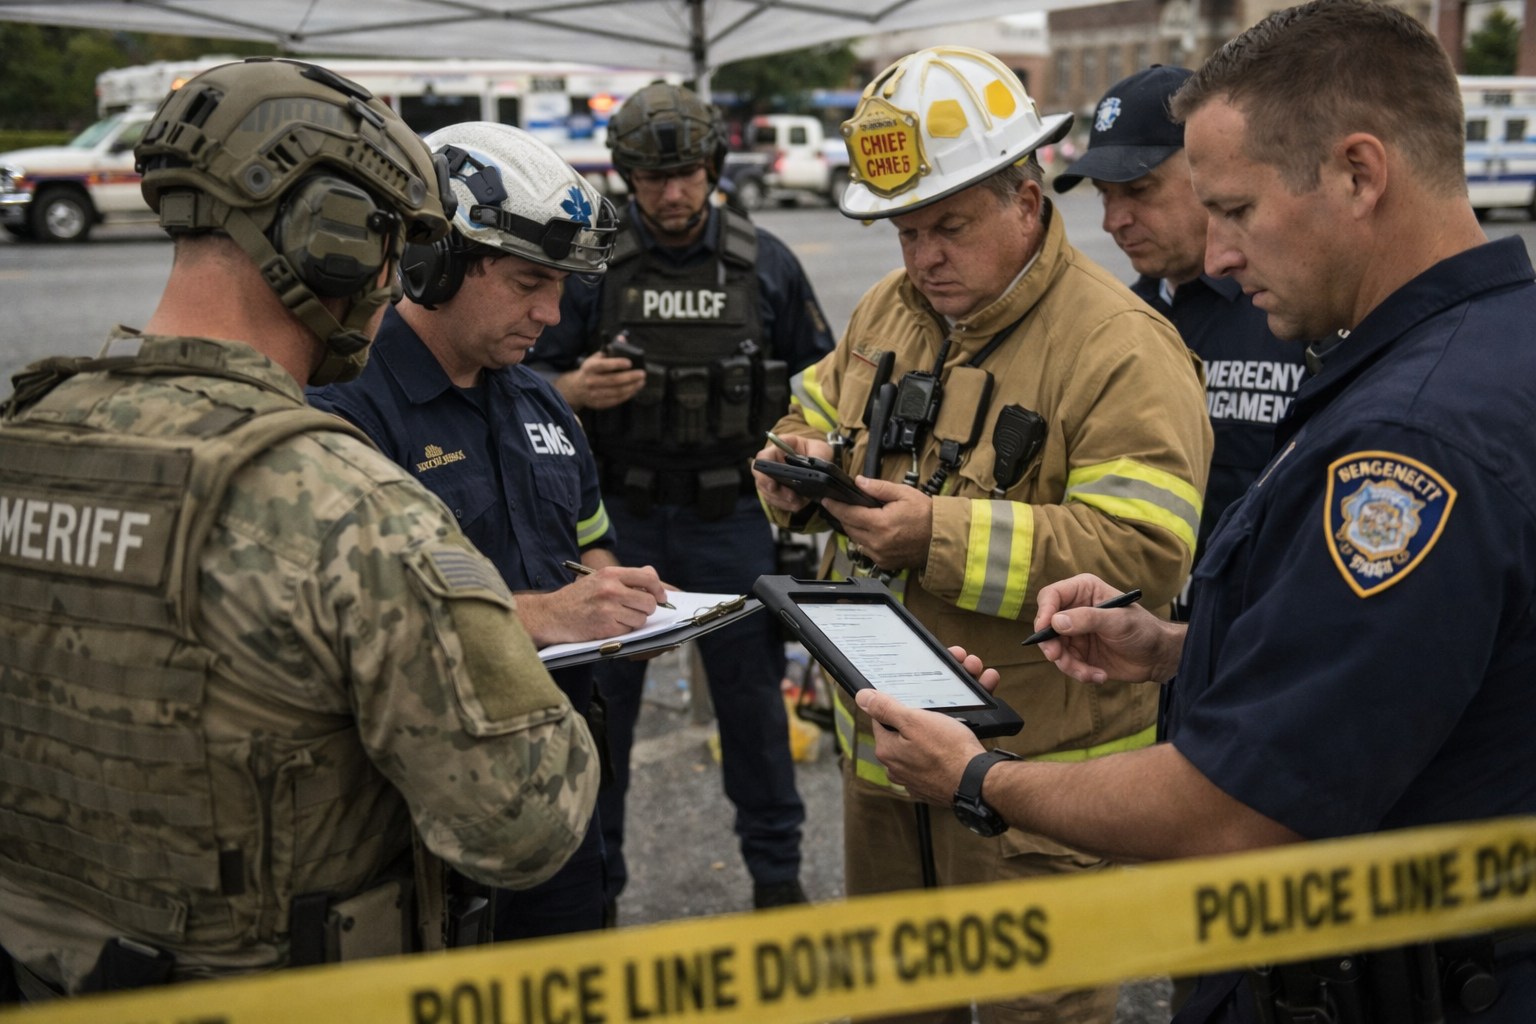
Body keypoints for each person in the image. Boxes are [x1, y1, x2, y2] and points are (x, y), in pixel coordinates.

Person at [853, 4, 1536, 1021]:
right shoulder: (1492, 350)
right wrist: (1181, 648)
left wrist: (981, 777)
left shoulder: (1409, 446)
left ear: (1359, 173)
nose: (1213, 258)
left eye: (1237, 211)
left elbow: (1234, 809)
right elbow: (1416, 662)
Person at [0, 59, 598, 1001]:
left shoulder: (23, 441)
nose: (402, 276)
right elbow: (524, 823)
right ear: (339, 241)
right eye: (394, 246)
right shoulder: (347, 505)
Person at [754, 46, 1212, 1024]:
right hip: (887, 765)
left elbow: (1143, 551)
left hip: (1035, 782)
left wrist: (936, 533)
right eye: (905, 230)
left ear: (1026, 192)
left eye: (949, 226)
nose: (923, 258)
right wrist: (791, 465)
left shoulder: (1121, 347)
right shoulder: (890, 310)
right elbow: (815, 410)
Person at [309, 122, 666, 942]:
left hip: (559, 798)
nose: (552, 311)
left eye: (561, 285)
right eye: (527, 282)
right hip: (421, 828)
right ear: (429, 266)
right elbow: (343, 622)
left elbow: (588, 537)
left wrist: (623, 598)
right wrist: (543, 618)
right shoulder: (341, 410)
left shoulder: (540, 400)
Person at [526, 83, 836, 913]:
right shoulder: (592, 264)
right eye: (652, 177)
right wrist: (571, 388)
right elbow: (513, 382)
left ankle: (778, 881)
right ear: (626, 176)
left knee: (755, 716)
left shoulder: (765, 260)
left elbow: (823, 388)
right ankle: (600, 892)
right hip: (617, 526)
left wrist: (801, 451)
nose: (671, 193)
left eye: (687, 173)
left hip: (731, 519)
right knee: (603, 722)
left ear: (713, 168)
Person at [1054, 64, 1306, 585]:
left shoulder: (1295, 318)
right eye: (1104, 195)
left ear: (1207, 174)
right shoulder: (1113, 327)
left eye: (1139, 191)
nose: (1112, 220)